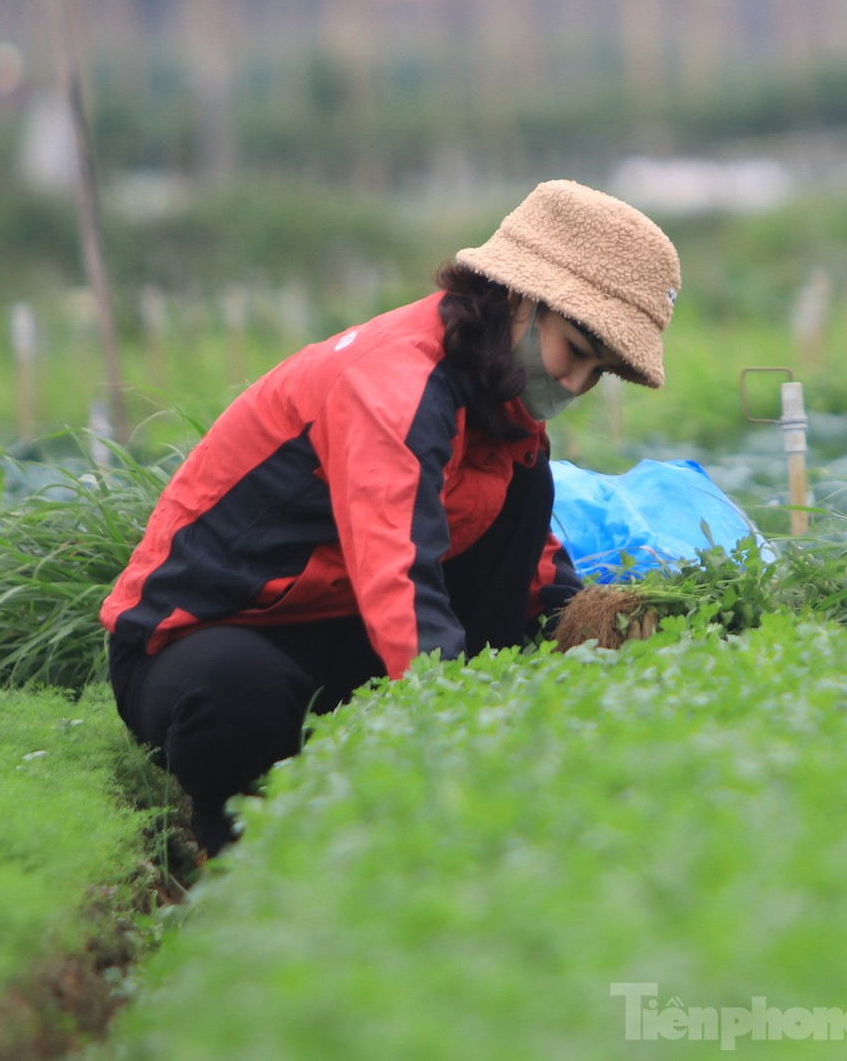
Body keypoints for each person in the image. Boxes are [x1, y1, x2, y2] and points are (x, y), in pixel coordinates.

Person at [101, 179, 682, 854]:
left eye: (600, 372)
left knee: (529, 494)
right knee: (241, 699)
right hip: (208, 635)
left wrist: (587, 630)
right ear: (519, 298)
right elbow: (397, 571)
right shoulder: (393, 383)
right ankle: (229, 850)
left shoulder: (506, 411)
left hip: (338, 626)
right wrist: (464, 735)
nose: (578, 384)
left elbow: (527, 564)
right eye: (576, 351)